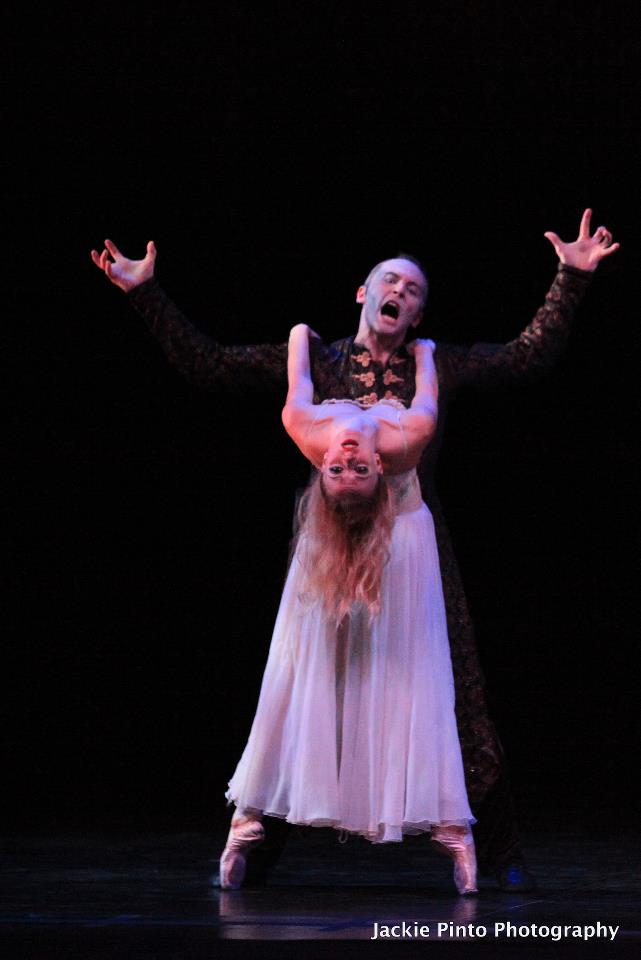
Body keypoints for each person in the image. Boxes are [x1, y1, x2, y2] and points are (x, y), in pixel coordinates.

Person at [90, 209, 618, 890]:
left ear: (417, 314)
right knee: (304, 681)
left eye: (415, 290)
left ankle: (501, 854)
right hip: (331, 543)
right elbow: (209, 365)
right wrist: (144, 292)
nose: (402, 291)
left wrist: (570, 278)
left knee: (455, 690)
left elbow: (525, 355)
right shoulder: (319, 359)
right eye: (391, 281)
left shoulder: (434, 363)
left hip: (412, 544)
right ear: (364, 294)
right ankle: (261, 844)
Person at [220, 326, 479, 895]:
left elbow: (298, 380)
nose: (347, 459)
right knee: (299, 672)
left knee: (409, 680)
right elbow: (427, 395)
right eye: (352, 468)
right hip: (357, 544)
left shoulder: (307, 429)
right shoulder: (407, 437)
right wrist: (427, 353)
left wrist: (297, 336)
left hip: (397, 543)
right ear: (379, 467)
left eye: (342, 469)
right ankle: (248, 816)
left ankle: (451, 825)